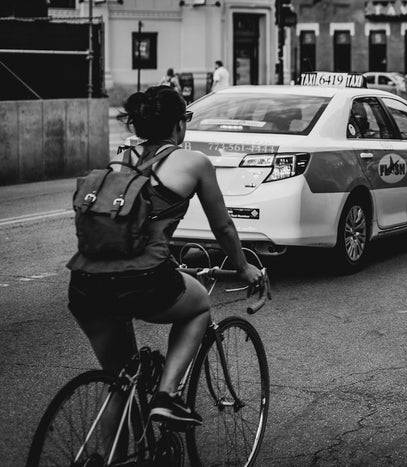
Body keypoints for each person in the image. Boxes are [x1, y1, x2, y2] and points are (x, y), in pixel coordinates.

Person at [67, 86, 264, 426]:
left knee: (120, 381)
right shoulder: (193, 162)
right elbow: (224, 228)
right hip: (143, 279)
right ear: (178, 125)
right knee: (200, 302)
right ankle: (167, 395)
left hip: (85, 281)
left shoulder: (118, 161)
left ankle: (106, 457)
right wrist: (244, 267)